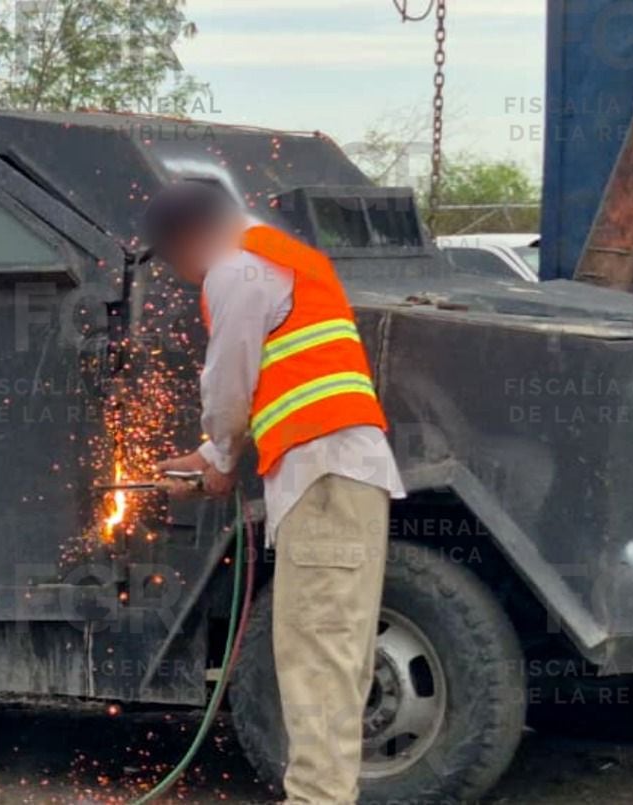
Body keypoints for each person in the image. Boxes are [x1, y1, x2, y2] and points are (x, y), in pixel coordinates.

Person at [144, 181, 406, 803]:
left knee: (317, 652)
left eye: (174, 261)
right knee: (328, 649)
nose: (183, 276)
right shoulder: (278, 258)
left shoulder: (236, 267)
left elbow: (229, 382)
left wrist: (218, 459)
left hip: (324, 479)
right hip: (332, 477)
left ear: (189, 238)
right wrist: (216, 457)